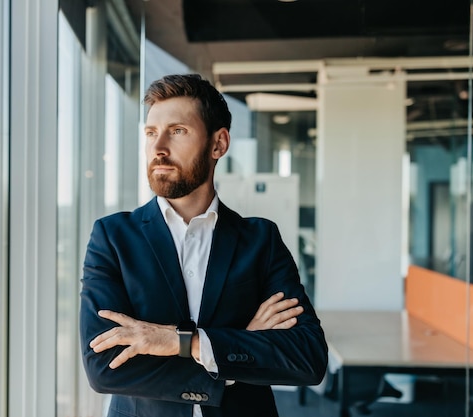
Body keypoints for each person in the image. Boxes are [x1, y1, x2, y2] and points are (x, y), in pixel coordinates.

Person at [80, 74, 327, 417]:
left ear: (218, 144)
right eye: (151, 133)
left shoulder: (260, 240)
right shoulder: (112, 238)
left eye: (177, 131)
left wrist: (182, 342)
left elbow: (307, 357)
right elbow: (104, 367)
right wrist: (231, 352)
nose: (158, 147)